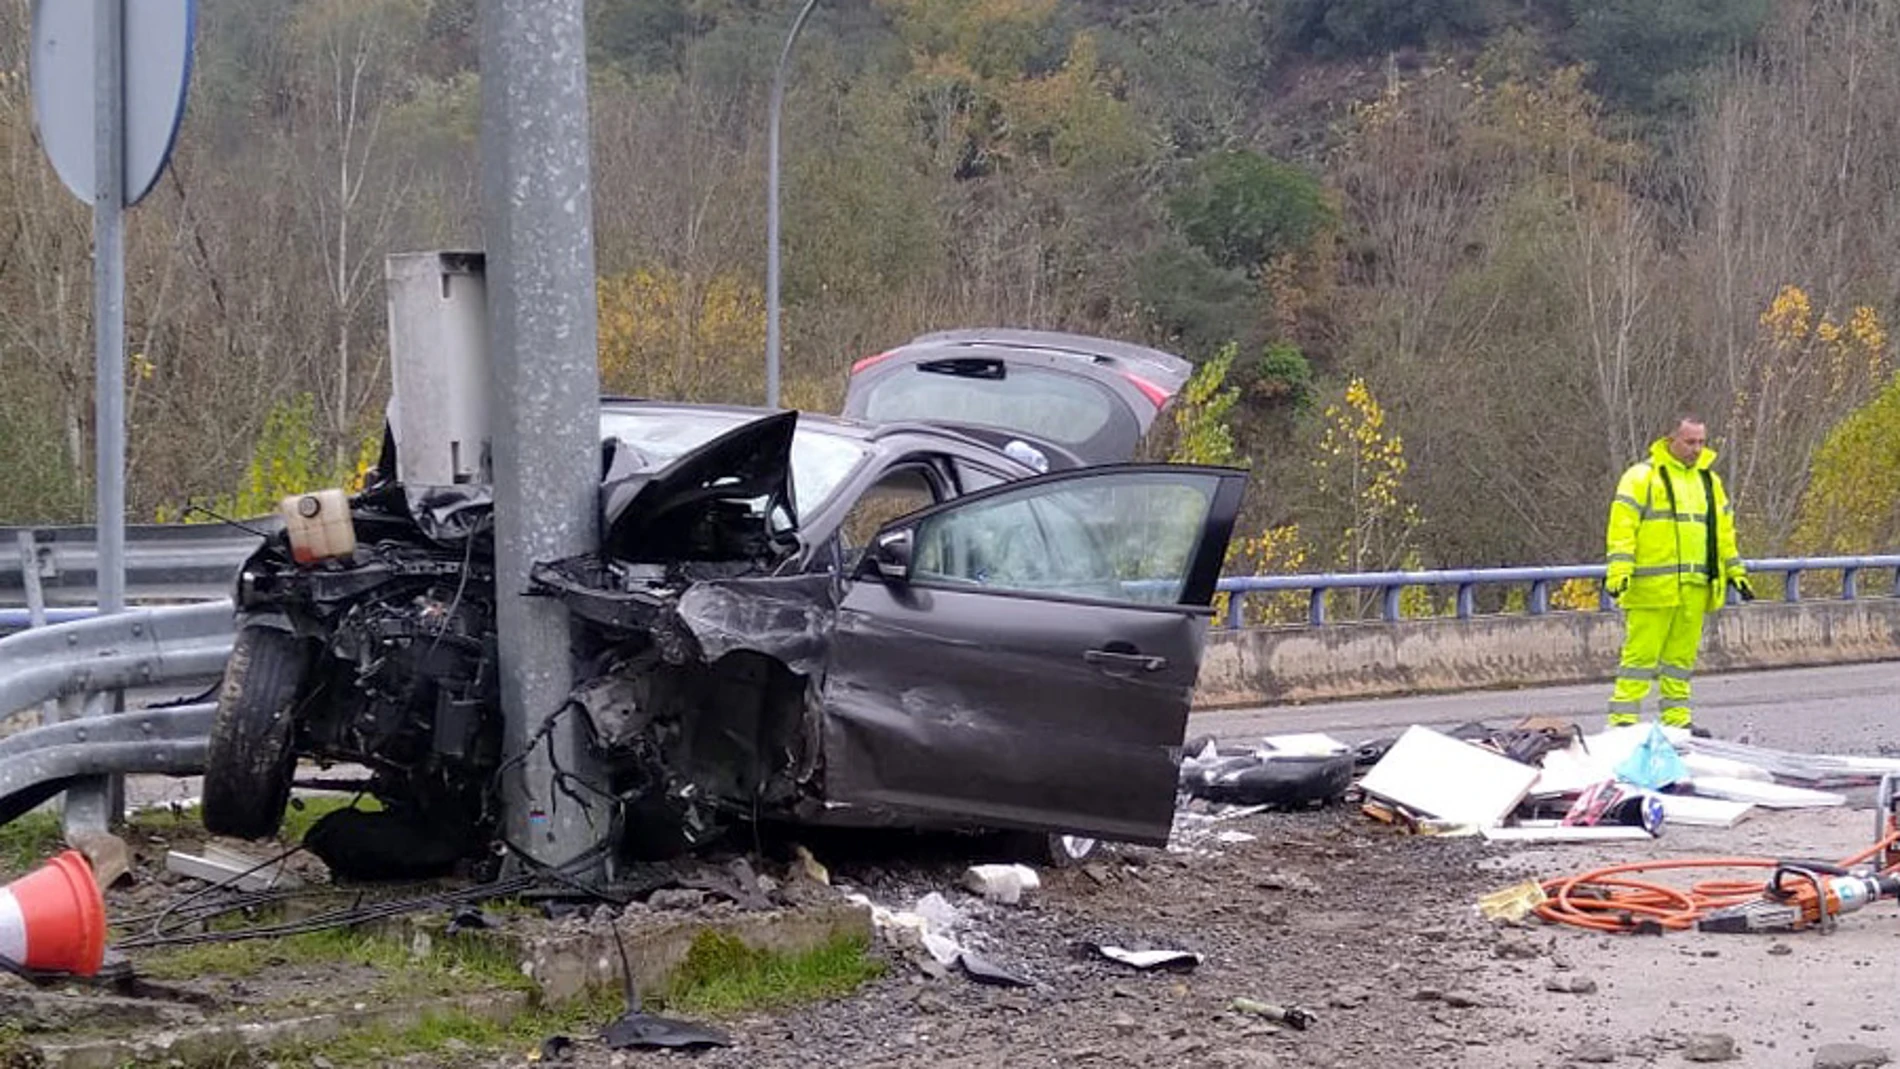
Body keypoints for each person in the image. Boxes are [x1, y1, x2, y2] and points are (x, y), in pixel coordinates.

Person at [1604, 413, 1754, 733]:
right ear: (1671, 438)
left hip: (1694, 587)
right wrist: (1619, 568)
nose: (1697, 449)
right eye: (1690, 442)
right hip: (1652, 587)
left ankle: (1677, 723)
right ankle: (1623, 722)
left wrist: (1735, 569)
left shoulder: (1708, 482)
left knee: (1679, 663)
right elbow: (1622, 526)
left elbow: (1723, 532)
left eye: (1701, 442)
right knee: (1639, 660)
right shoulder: (1642, 477)